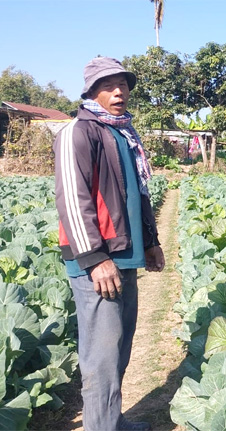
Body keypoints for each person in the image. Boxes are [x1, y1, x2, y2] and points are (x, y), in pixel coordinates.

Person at [53, 57, 165, 431]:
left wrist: (150, 241)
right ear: (91, 92)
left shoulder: (122, 133)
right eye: (108, 85)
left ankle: (112, 421)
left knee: (119, 348)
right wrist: (94, 257)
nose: (119, 92)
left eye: (123, 84)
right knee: (101, 358)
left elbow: (137, 194)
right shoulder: (78, 132)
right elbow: (72, 198)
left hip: (125, 255)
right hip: (98, 262)